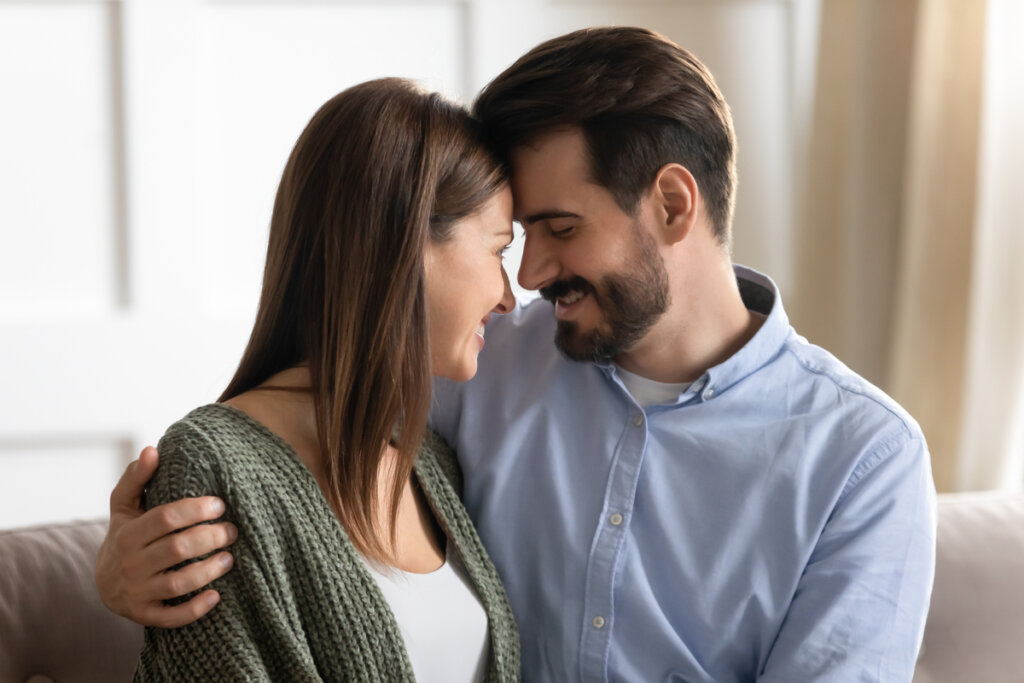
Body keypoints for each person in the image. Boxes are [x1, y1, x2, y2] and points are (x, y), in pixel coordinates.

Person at [97, 28, 936, 682]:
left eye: (558, 229)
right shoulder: (477, 365)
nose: (528, 276)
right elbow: (289, 486)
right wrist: (127, 567)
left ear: (674, 204)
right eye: (516, 237)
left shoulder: (863, 460)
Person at [117, 77, 520, 682]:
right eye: (499, 251)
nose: (510, 297)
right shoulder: (213, 468)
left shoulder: (429, 459)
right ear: (407, 243)